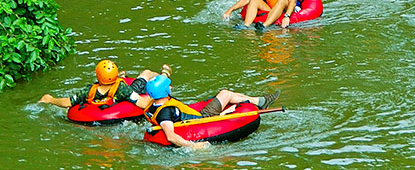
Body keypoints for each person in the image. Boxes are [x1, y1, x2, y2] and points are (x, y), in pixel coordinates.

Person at [138, 73, 280, 149]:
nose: (171, 88)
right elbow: (171, 136)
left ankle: (259, 101)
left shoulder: (153, 104)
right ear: (163, 90)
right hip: (201, 118)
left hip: (191, 115)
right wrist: (193, 146)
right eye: (168, 86)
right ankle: (261, 102)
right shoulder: (165, 112)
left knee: (225, 96)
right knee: (225, 93)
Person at [38, 59, 167, 109]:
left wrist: (50, 99)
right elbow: (143, 104)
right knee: (146, 73)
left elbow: (67, 102)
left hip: (108, 95)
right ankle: (164, 75)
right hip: (126, 91)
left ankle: (123, 76)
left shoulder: (90, 91)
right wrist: (155, 95)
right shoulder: (123, 89)